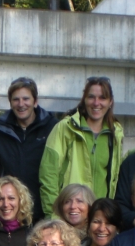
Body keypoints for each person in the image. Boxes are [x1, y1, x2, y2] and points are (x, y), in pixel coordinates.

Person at [39, 77, 124, 217]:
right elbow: (48, 175)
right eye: (91, 97)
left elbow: (116, 174)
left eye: (102, 98)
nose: (96, 103)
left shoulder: (116, 133)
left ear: (110, 102)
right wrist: (53, 215)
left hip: (99, 217)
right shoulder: (65, 128)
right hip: (70, 215)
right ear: (84, 100)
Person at [0, 77, 58, 221]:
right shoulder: (0, 131)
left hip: (44, 211)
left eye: (26, 99)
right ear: (10, 102)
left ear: (35, 101)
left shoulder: (53, 128)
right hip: (10, 213)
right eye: (16, 99)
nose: (21, 104)